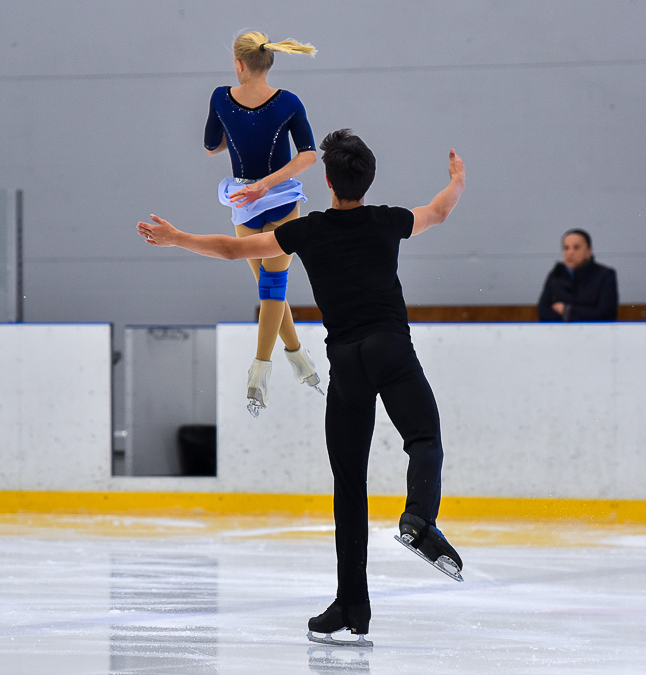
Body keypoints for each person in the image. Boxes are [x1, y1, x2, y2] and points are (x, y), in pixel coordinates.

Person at [138, 129, 466, 646]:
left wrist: (177, 238)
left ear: (329, 182)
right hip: (391, 351)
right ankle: (419, 519)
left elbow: (231, 248)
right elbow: (439, 212)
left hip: (347, 363)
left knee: (348, 488)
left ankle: (352, 606)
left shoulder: (308, 231)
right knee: (424, 441)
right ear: (368, 180)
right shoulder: (388, 220)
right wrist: (458, 181)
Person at [203, 30, 322, 417]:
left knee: (271, 287)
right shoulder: (288, 101)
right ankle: (297, 357)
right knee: (271, 288)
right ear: (267, 61)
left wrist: (256, 181)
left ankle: (259, 371)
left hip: (244, 199)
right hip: (281, 197)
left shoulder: (221, 97)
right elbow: (308, 155)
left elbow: (211, 146)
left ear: (239, 64)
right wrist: (269, 183)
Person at [536, 229, 618, 321]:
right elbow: (543, 311)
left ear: (589, 252)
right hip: (560, 333)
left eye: (576, 247)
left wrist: (567, 311)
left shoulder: (605, 275)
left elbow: (605, 313)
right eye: (566, 248)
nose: (570, 252)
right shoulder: (555, 276)